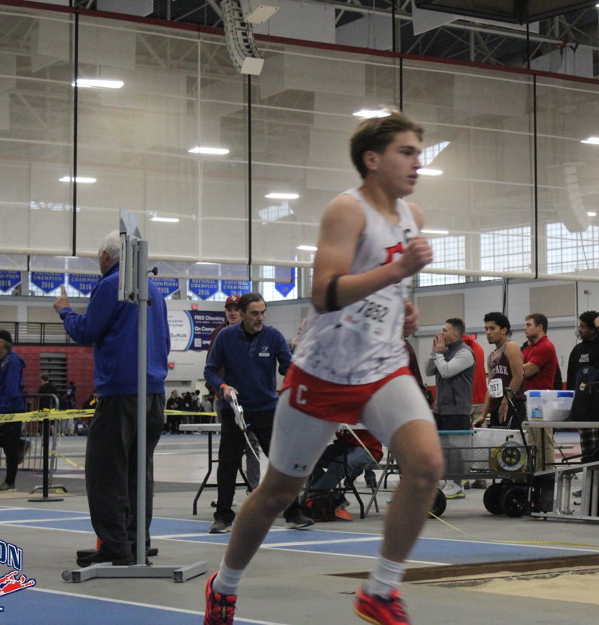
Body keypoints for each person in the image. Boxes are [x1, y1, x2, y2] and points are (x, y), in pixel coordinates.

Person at [204, 111, 438, 625]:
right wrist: (397, 270)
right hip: (324, 374)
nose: (417, 163)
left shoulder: (412, 216)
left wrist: (402, 307)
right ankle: (224, 586)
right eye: (406, 152)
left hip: (382, 368)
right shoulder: (347, 210)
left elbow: (384, 288)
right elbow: (325, 294)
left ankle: (380, 590)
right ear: (372, 159)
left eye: (419, 153)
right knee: (278, 494)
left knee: (426, 467)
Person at [54, 230, 170, 567]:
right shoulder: (153, 289)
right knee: (139, 472)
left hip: (119, 393)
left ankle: (115, 545)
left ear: (106, 255)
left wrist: (65, 311)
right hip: (153, 392)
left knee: (106, 472)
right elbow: (164, 341)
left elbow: (86, 331)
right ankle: (136, 542)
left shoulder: (111, 285)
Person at [203, 291, 304, 534]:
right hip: (235, 410)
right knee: (227, 465)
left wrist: (298, 356)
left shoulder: (273, 336)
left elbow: (288, 369)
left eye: (262, 313)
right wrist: (223, 387)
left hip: (266, 409)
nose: (259, 318)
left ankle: (293, 513)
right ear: (242, 313)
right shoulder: (226, 337)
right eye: (254, 313)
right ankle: (223, 516)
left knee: (280, 462)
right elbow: (210, 371)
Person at [207, 295, 263, 491]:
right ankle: (226, 494)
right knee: (229, 447)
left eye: (235, 309)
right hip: (225, 399)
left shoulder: (258, 333)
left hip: (251, 400)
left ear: (243, 312)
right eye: (228, 309)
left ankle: (254, 489)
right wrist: (218, 390)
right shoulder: (218, 334)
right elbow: (210, 367)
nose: (232, 313)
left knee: (252, 444)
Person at [424, 317, 475, 500]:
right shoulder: (444, 351)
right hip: (441, 408)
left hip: (457, 409)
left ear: (455, 334)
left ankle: (457, 484)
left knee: (455, 449)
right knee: (442, 447)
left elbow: (446, 371)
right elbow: (429, 371)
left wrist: (439, 354)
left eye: (445, 330)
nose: (441, 333)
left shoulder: (465, 353)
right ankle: (448, 481)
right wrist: (434, 353)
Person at [566, 310, 599, 461]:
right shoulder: (577, 350)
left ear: (593, 329)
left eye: (583, 326)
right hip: (583, 407)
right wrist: (572, 407)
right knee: (588, 453)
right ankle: (590, 475)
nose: (579, 329)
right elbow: (571, 377)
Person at [0, 329, 29, 493]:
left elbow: (11, 389)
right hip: (0, 407)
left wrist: (4, 413)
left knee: (10, 448)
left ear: (3, 343)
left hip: (11, 409)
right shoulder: (1, 361)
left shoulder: (12, 362)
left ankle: (10, 482)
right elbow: (0, 384)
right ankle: (20, 444)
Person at [305, 428, 384, 517]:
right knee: (308, 460)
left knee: (339, 464)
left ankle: (312, 497)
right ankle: (333, 497)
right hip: (343, 446)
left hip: (367, 449)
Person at [481, 312, 525, 428]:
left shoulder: (511, 347)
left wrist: (506, 401)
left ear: (504, 330)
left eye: (492, 328)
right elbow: (490, 388)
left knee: (509, 440)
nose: (488, 332)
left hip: (512, 404)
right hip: (496, 407)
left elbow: (518, 377)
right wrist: (483, 415)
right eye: (486, 329)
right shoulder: (490, 357)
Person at [521, 312, 557, 395]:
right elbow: (519, 370)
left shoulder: (545, 346)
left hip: (541, 397)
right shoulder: (528, 349)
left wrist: (518, 368)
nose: (525, 328)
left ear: (539, 327)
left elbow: (526, 371)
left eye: (529, 325)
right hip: (529, 396)